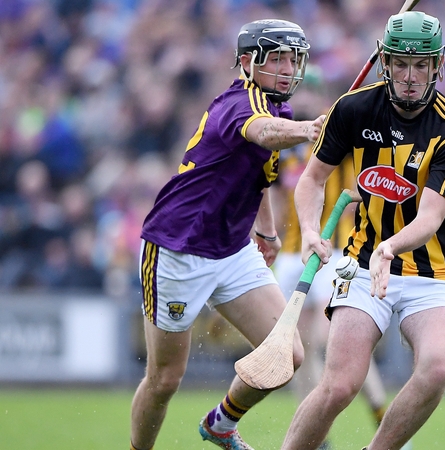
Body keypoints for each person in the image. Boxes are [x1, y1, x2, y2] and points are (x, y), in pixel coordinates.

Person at [281, 10, 445, 450]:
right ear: (385, 62)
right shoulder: (353, 109)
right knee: (339, 386)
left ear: (437, 66)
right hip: (365, 267)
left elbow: (429, 218)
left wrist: (392, 246)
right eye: (402, 64)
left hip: (433, 274)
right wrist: (311, 229)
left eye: (421, 65)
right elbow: (311, 180)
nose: (410, 76)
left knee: (438, 367)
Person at [130, 19, 324, 450]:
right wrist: (311, 130)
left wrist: (268, 234)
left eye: (293, 58)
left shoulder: (281, 109)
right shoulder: (239, 104)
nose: (288, 67)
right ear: (246, 63)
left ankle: (221, 422)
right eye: (276, 58)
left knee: (288, 355)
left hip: (234, 251)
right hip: (178, 247)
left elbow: (259, 178)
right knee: (164, 379)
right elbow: (264, 134)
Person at [274, 147, 404, 449]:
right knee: (297, 348)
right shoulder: (287, 155)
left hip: (334, 251)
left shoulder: (339, 144)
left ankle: (379, 413)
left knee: (333, 339)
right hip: (293, 255)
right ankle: (317, 434)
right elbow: (279, 199)